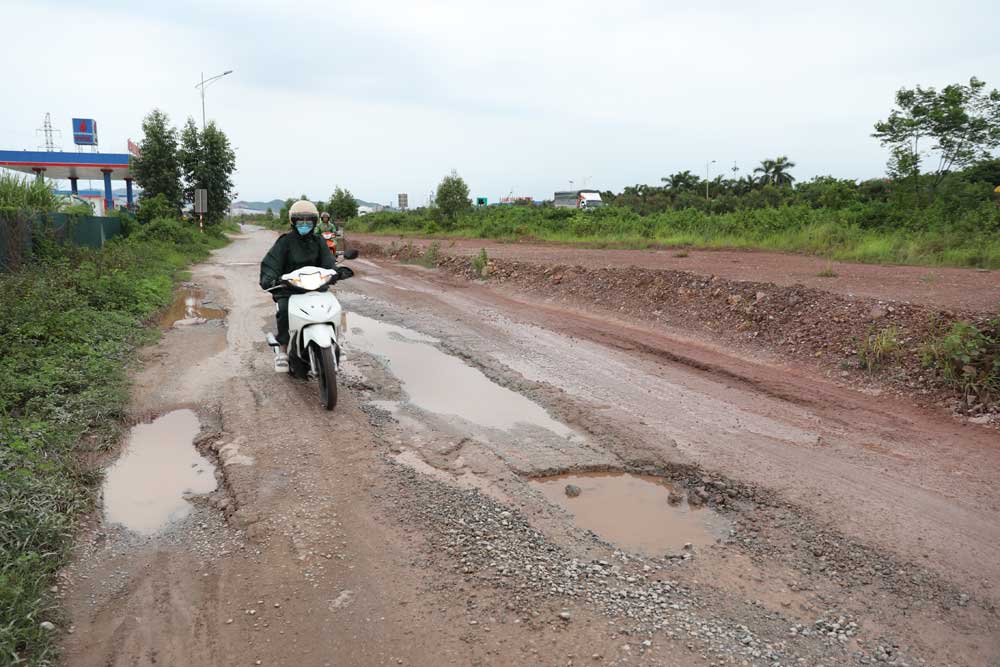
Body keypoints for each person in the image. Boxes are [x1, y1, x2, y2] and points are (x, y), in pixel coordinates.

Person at [259, 200, 335, 371]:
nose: (305, 224)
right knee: (284, 310)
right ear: (293, 222)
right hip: (289, 290)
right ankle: (283, 350)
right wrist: (270, 278)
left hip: (316, 288)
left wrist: (336, 272)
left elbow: (328, 263)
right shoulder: (285, 242)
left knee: (334, 306)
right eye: (300, 221)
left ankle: (338, 341)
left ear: (315, 222)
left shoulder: (319, 241)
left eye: (309, 221)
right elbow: (272, 263)